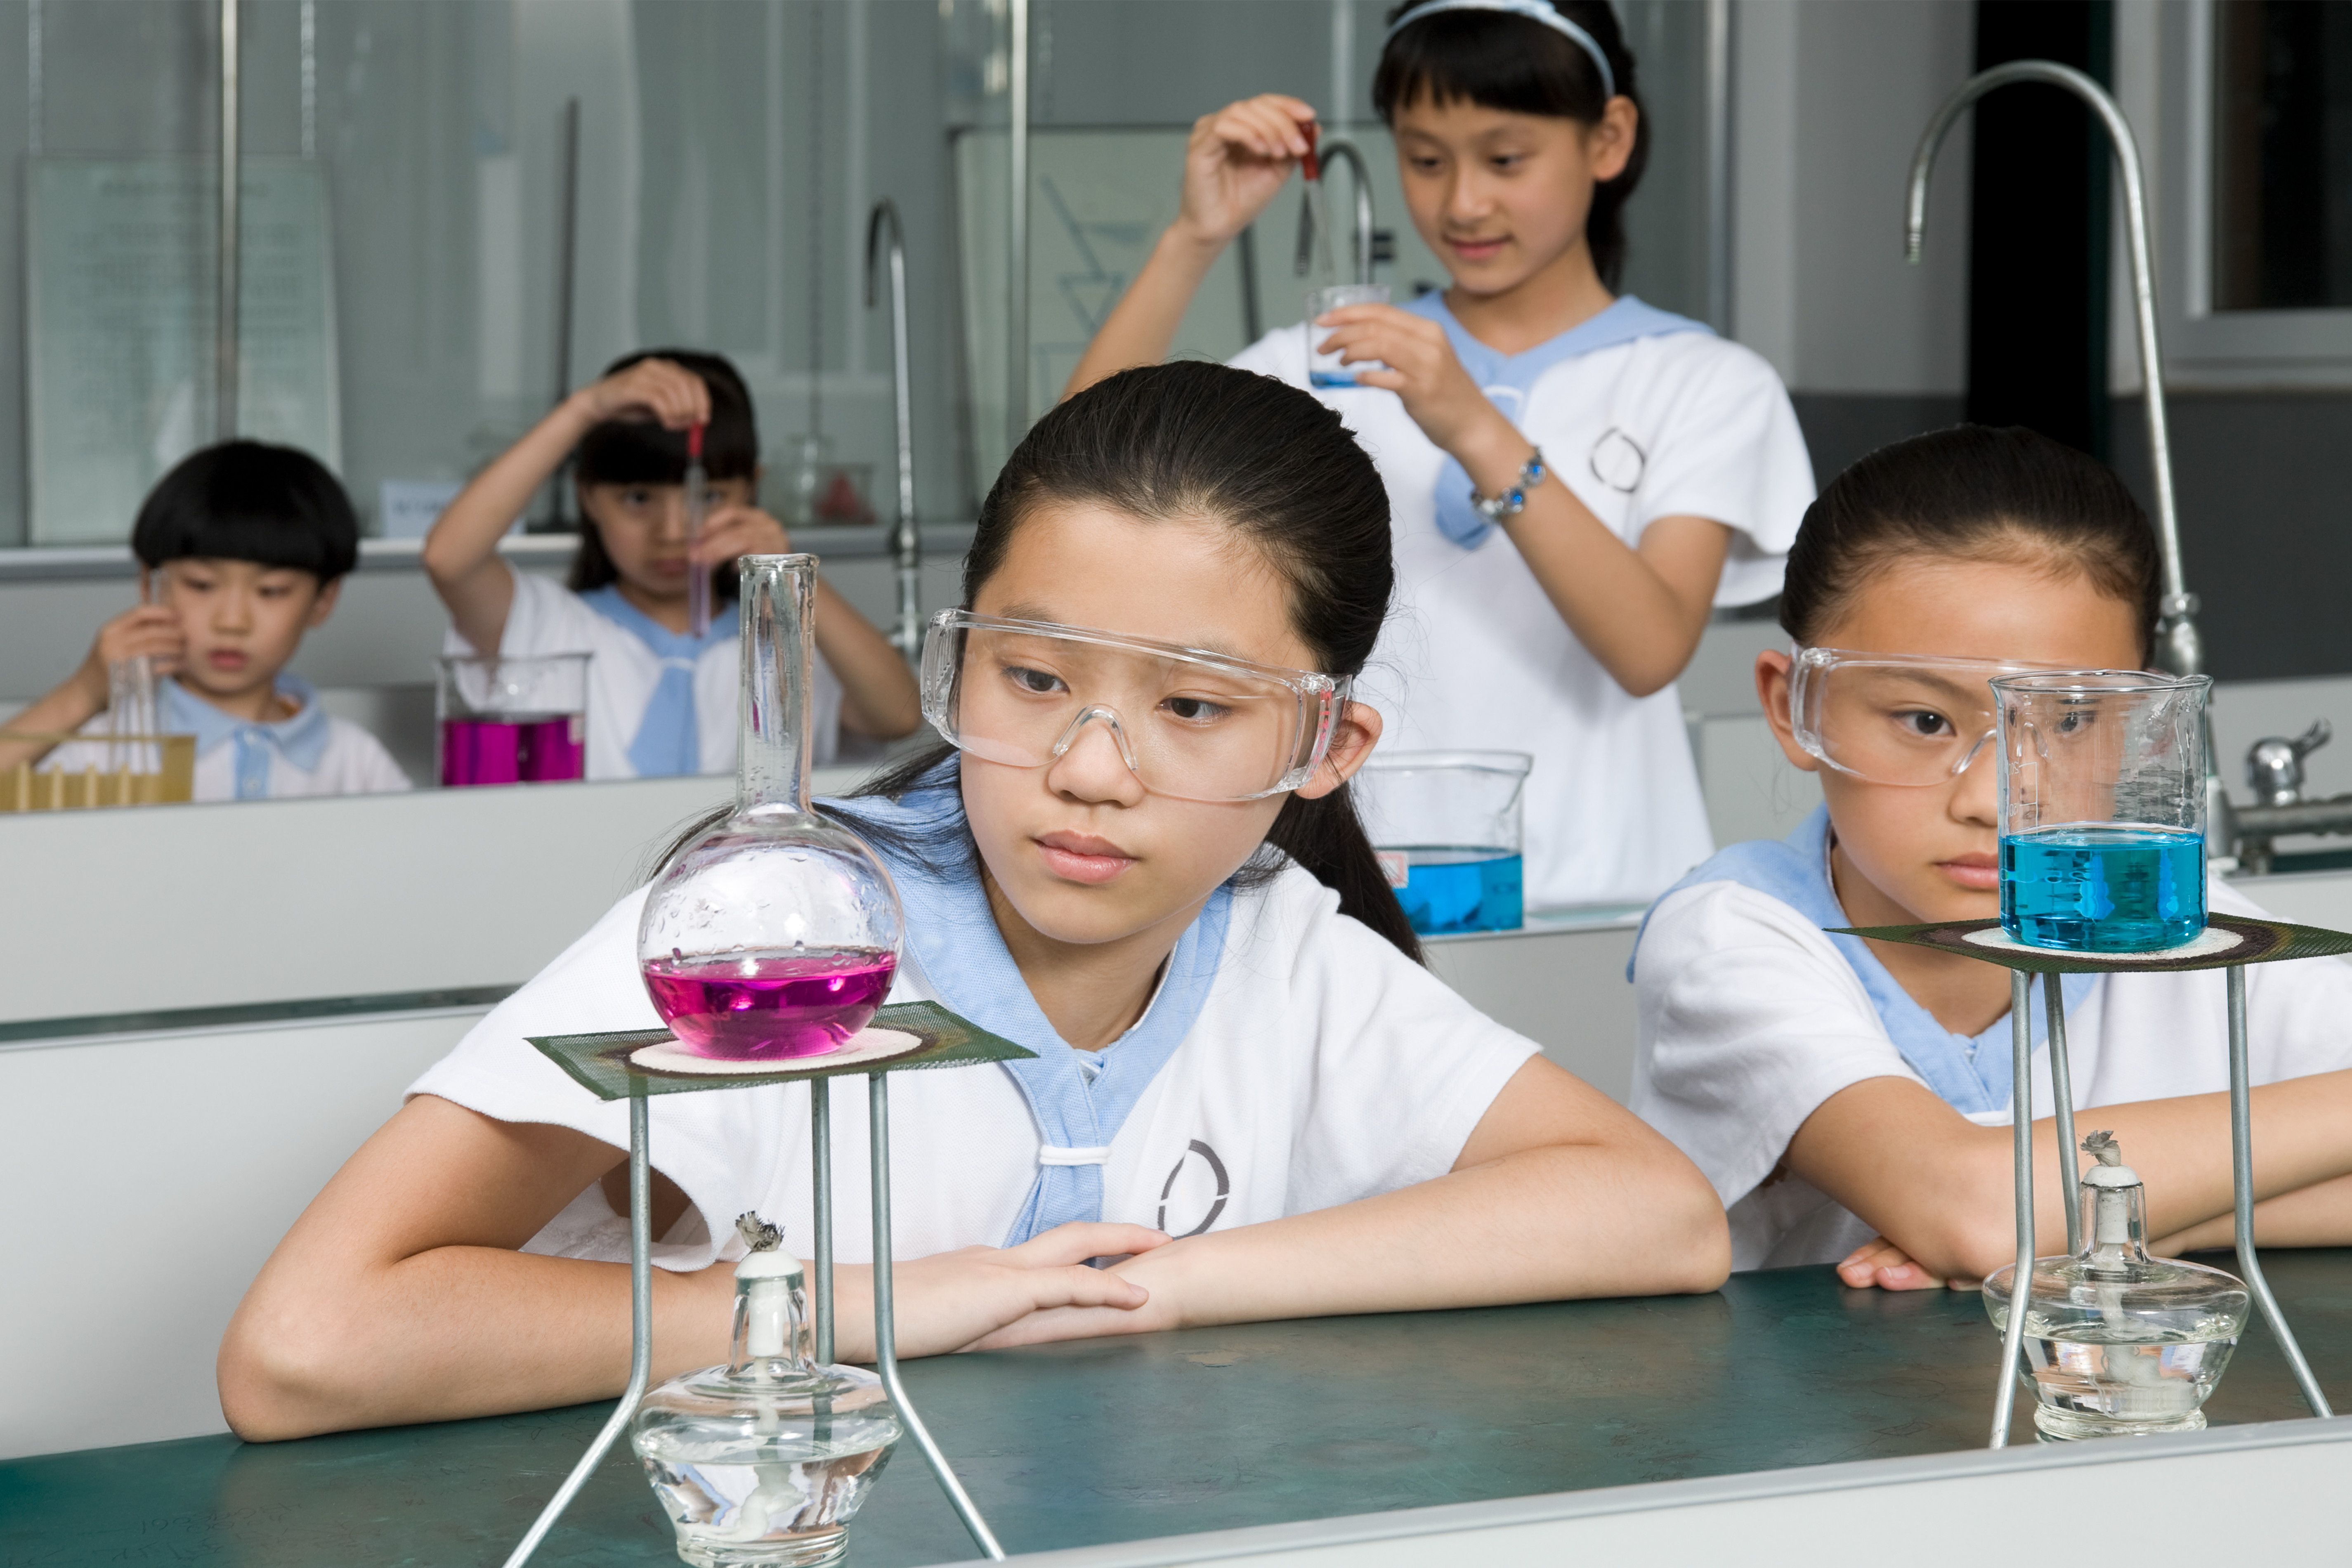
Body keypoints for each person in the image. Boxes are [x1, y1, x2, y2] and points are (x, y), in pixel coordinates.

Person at [218, 361, 1729, 1440]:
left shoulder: (1279, 946)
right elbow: (306, 1345)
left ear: (1325, 744)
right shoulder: (777, 932)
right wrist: (878, 1303)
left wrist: (1163, 1284)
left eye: (1193, 707)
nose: (1086, 767)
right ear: (960, 656)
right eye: (1035, 677)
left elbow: (1657, 1215)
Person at [1065, 0, 1814, 908]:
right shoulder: (1336, 358)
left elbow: (1650, 647)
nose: (1462, 202)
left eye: (1506, 159)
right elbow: (1081, 472)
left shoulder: (1704, 381)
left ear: (1608, 139)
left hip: (1612, 888)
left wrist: (1471, 423)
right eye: (1425, 159)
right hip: (1348, 894)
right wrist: (1196, 237)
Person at [1629, 425, 2352, 1285]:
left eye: (2071, 722)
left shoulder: (2185, 920)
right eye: (1925, 721)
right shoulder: (1732, 937)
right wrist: (2021, 1215)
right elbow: (1974, 1209)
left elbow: (1998, 1220)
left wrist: (2104, 1222)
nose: (1990, 802)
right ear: (1795, 709)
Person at [422, 349, 921, 780]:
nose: (672, 530)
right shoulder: (547, 624)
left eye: (707, 495)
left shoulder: (780, 646)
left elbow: (899, 714)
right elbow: (449, 558)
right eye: (637, 498)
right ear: (588, 499)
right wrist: (585, 408)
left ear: (752, 489)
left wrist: (793, 576)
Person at [0, 440, 409, 801]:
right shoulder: (109, 746)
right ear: (150, 584)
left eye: (271, 591)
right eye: (201, 585)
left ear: (324, 599)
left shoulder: (354, 760)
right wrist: (85, 692)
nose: (232, 621)